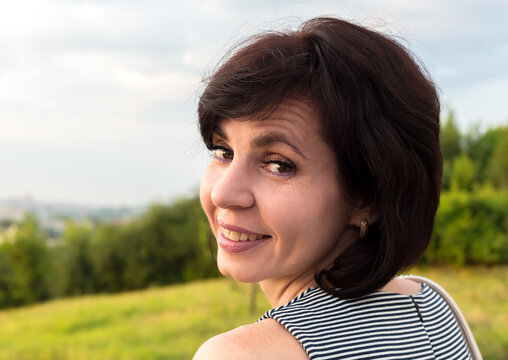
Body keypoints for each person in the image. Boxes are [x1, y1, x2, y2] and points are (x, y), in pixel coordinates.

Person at [193, 17, 478, 360]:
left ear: (368, 197)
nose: (222, 193)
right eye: (223, 151)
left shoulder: (240, 354)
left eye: (279, 164)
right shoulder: (435, 308)